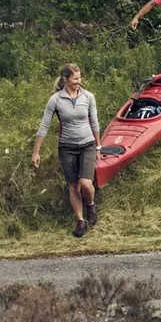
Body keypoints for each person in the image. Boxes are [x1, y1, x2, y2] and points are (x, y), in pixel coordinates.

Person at [33, 63, 103, 238]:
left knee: (85, 184)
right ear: (66, 79)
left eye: (80, 78)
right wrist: (36, 152)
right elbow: (44, 126)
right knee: (73, 186)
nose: (79, 82)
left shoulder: (88, 97)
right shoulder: (55, 100)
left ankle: (91, 205)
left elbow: (94, 122)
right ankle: (80, 220)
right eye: (75, 78)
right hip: (67, 148)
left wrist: (98, 146)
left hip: (87, 145)